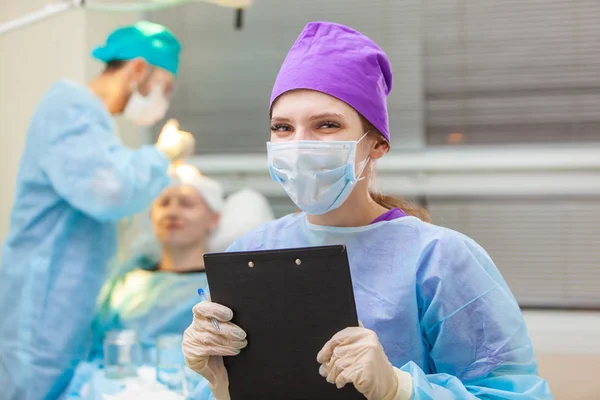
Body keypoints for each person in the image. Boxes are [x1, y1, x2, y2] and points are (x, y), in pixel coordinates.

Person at [181, 22, 553, 400]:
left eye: (326, 125)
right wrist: (219, 384)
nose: (299, 146)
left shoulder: (439, 258)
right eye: (282, 127)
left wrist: (399, 388)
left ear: (376, 145)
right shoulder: (251, 251)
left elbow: (512, 393)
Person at [0, 21, 194, 399]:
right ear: (138, 69)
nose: (163, 101)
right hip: (42, 304)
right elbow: (111, 192)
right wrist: (162, 154)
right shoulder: (68, 108)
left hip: (64, 304)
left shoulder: (95, 127)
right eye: (164, 88)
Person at [64, 164, 275, 398]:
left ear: (214, 219)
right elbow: (96, 350)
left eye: (186, 204)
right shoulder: (127, 282)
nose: (172, 212)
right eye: (164, 203)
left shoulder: (223, 286)